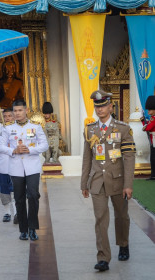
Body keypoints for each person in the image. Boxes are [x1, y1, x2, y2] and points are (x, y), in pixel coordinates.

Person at [81, 90, 136, 272]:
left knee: (121, 215)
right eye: (97, 106)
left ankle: (123, 243)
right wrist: (84, 183)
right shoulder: (90, 130)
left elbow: (129, 158)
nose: (100, 109)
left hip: (118, 181)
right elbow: (87, 158)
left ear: (111, 107)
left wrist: (128, 184)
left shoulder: (122, 129)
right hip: (97, 181)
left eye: (103, 105)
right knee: (100, 219)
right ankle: (103, 257)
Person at [0, 99, 49, 241]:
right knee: (19, 199)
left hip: (32, 167)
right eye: (15, 111)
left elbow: (44, 145)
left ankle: (33, 228)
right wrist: (13, 150)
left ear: (26, 111)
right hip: (16, 168)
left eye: (20, 110)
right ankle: (23, 229)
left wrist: (31, 149)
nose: (17, 113)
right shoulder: (7, 128)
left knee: (33, 196)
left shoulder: (35, 127)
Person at [0, 108, 17, 223]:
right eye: (5, 116)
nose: (7, 118)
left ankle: (17, 212)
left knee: (16, 190)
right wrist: (10, 149)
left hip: (16, 165)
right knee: (4, 190)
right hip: (2, 164)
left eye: (9, 116)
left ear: (14, 116)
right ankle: (7, 212)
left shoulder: (18, 129)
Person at [141, 95, 155, 180]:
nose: (148, 111)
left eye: (150, 109)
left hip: (154, 139)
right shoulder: (152, 118)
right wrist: (143, 121)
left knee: (153, 157)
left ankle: (153, 174)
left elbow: (148, 128)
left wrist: (144, 123)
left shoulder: (153, 119)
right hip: (153, 139)